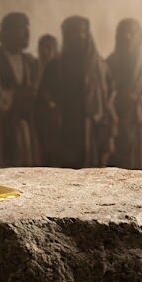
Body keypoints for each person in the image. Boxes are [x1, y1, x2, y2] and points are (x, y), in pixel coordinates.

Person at [39, 15, 116, 168]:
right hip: (64, 131)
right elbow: (44, 98)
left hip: (92, 130)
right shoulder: (55, 67)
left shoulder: (100, 67)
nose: (76, 37)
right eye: (71, 32)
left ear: (87, 34)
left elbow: (109, 96)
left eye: (80, 32)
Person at [0, 12, 41, 167]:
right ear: (7, 32)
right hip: (0, 130)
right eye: (21, 29)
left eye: (27, 29)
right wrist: (18, 94)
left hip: (24, 131)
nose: (27, 34)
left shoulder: (29, 61)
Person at [106, 18, 142, 172]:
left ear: (140, 36)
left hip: (141, 131)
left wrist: (138, 100)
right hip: (116, 129)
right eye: (124, 32)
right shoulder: (109, 64)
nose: (128, 37)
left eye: (132, 32)